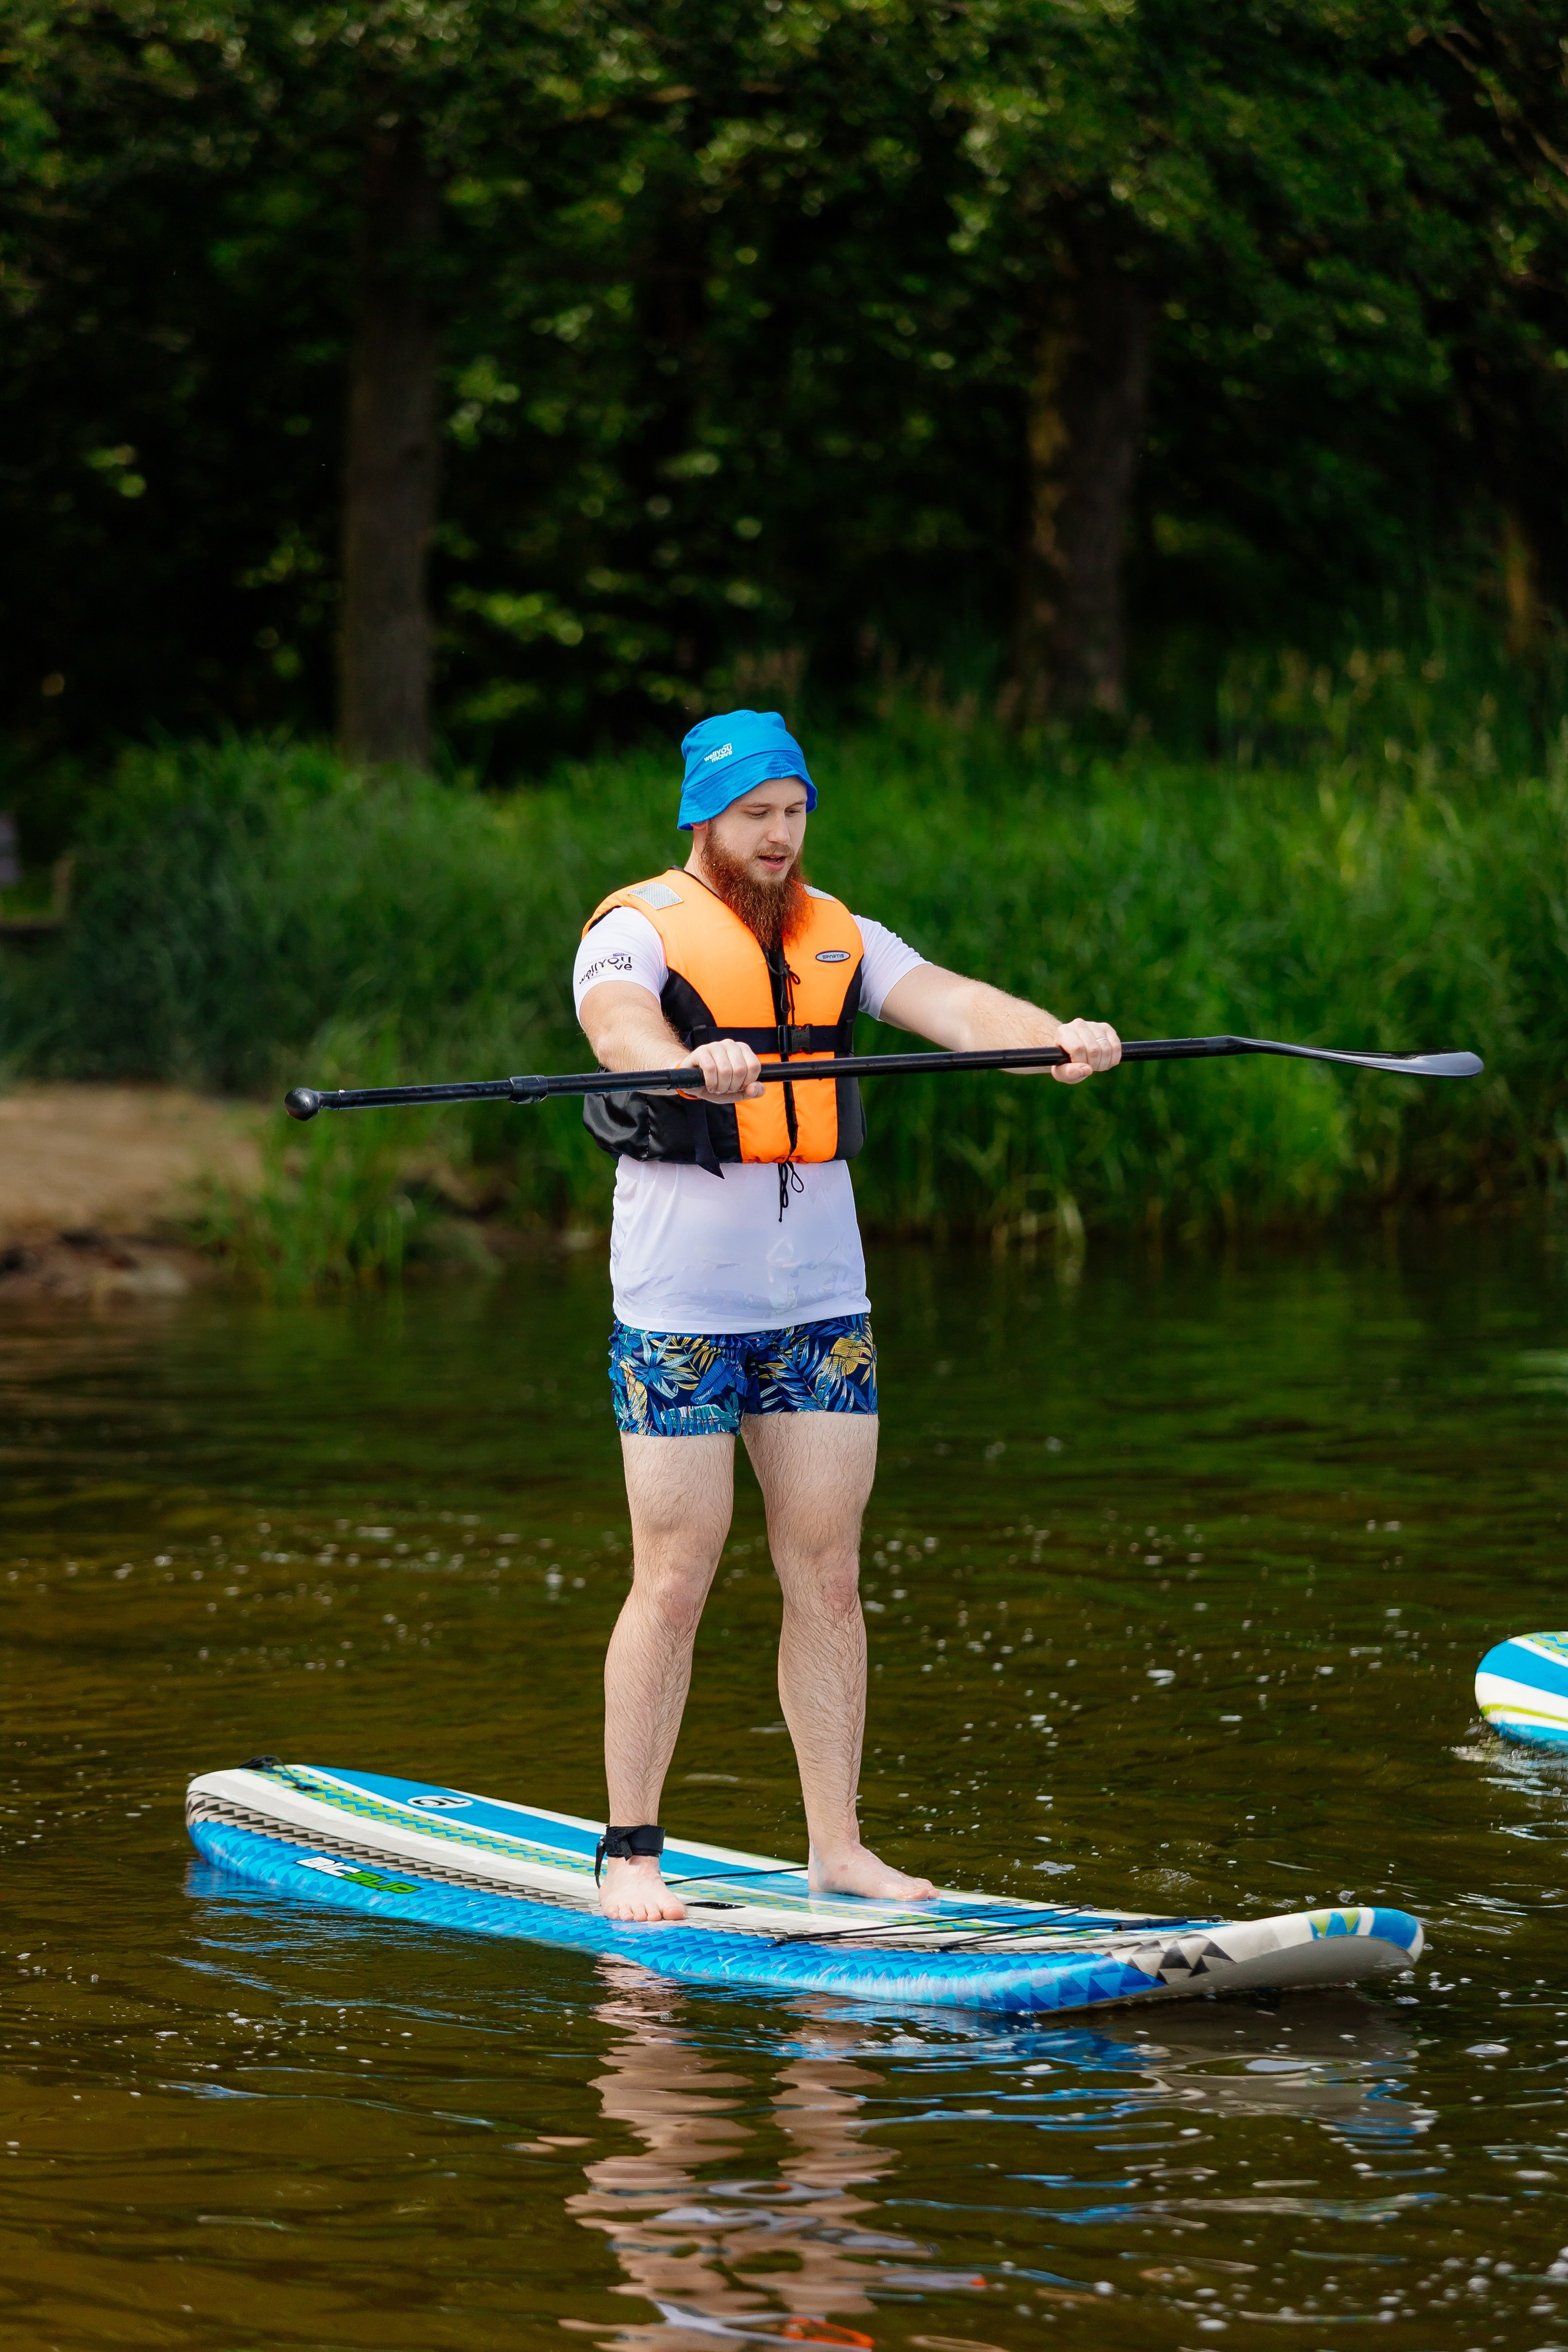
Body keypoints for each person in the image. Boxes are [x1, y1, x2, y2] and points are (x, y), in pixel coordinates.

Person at [575, 709, 1121, 1921]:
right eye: (755, 815)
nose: (779, 836)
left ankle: (837, 1847)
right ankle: (630, 1852)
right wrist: (684, 1061)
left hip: (820, 1307)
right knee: (676, 1575)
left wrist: (1053, 1038)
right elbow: (616, 1029)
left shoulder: (843, 935)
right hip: (679, 1312)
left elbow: (956, 1006)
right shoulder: (631, 931)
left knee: (826, 1573)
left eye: (794, 812)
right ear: (703, 818)